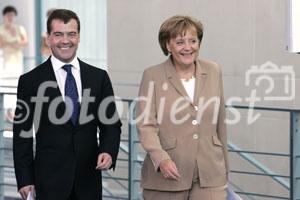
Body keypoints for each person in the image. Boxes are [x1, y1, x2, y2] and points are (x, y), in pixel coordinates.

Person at [13, 9, 122, 200]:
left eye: (71, 34)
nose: (65, 40)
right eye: (58, 34)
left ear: (78, 37)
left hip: (88, 181)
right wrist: (24, 178)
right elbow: (22, 134)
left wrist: (108, 150)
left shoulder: (98, 78)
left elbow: (111, 124)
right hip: (48, 182)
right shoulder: (30, 81)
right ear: (48, 39)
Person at [137, 15, 229, 199]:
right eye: (180, 42)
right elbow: (145, 125)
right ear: (167, 45)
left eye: (193, 41)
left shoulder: (213, 70)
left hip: (210, 175)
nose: (188, 48)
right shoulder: (152, 75)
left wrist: (224, 169)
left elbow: (220, 122)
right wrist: (161, 158)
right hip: (168, 175)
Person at [0, 5, 27, 79]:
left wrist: (9, 43)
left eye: (12, 15)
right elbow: (1, 44)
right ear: (4, 16)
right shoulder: (1, 30)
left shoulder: (20, 29)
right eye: (8, 15)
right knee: (6, 82)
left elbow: (25, 42)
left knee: (17, 81)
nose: (10, 17)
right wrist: (15, 44)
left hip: (18, 59)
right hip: (5, 60)